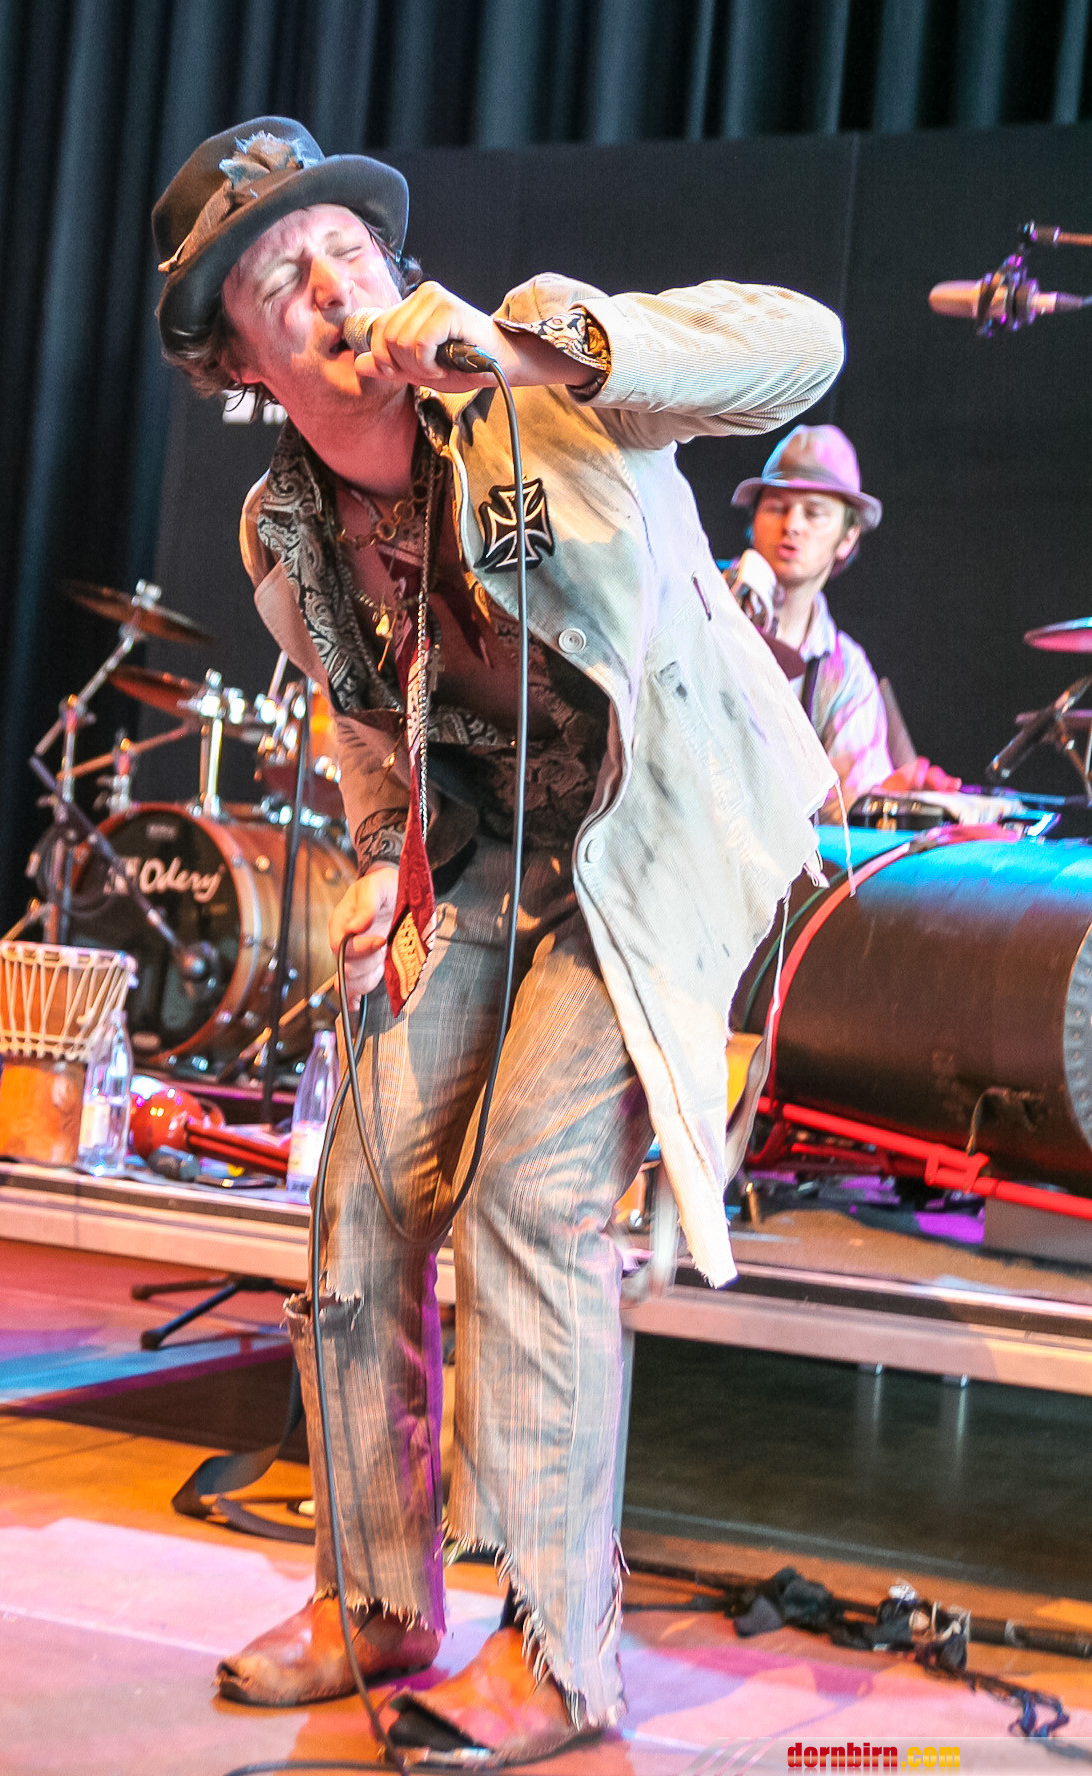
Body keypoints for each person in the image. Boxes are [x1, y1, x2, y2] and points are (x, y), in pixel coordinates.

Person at [152, 118, 842, 1758]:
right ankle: (376, 1600)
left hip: (647, 838)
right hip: (483, 860)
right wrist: (373, 875)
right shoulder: (284, 529)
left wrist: (548, 343)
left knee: (531, 1189)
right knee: (363, 1183)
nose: (331, 285)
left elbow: (802, 346)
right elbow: (369, 724)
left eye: (345, 249)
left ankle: (555, 1654)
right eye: (278, 278)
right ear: (238, 363)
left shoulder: (536, 381)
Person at [732, 425, 956, 810]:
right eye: (777, 508)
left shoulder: (846, 669)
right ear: (754, 522)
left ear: (848, 538)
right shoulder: (701, 604)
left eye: (814, 513)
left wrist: (900, 795)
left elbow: (847, 799)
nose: (792, 525)